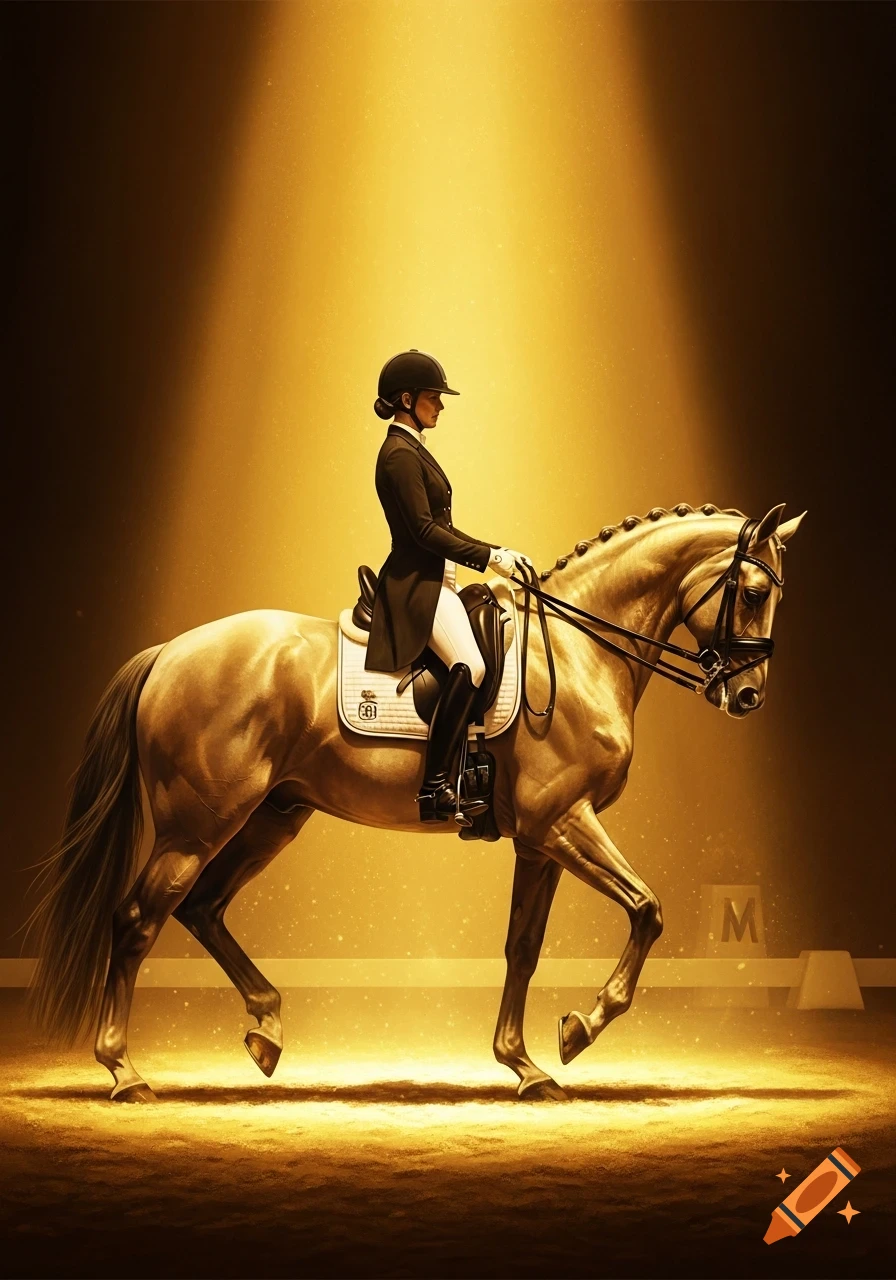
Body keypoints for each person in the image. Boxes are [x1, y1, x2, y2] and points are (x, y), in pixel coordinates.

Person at [364, 349, 531, 825]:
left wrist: (495, 552)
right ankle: (435, 787)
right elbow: (422, 531)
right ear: (407, 398)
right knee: (472, 664)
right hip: (416, 584)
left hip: (440, 580)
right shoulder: (397, 454)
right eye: (433, 397)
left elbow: (445, 528)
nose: (440, 405)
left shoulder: (414, 448)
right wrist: (490, 558)